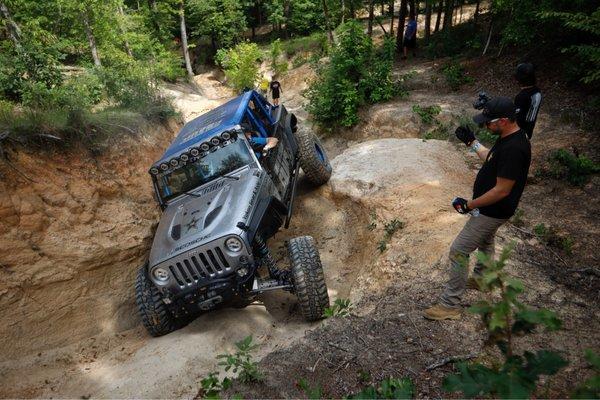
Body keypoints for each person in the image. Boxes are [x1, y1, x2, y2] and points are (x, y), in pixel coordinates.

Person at [424, 97, 531, 320]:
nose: (484, 126)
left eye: (487, 122)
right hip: (494, 208)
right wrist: (471, 142)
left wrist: (469, 205)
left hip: (493, 209)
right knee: (486, 240)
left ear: (503, 120)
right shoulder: (508, 137)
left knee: (459, 250)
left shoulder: (515, 148)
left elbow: (502, 190)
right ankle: (483, 279)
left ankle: (449, 305)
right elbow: (491, 159)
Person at [514, 63, 542, 140]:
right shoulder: (537, 92)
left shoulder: (521, 97)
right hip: (528, 131)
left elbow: (517, 118)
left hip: (519, 133)